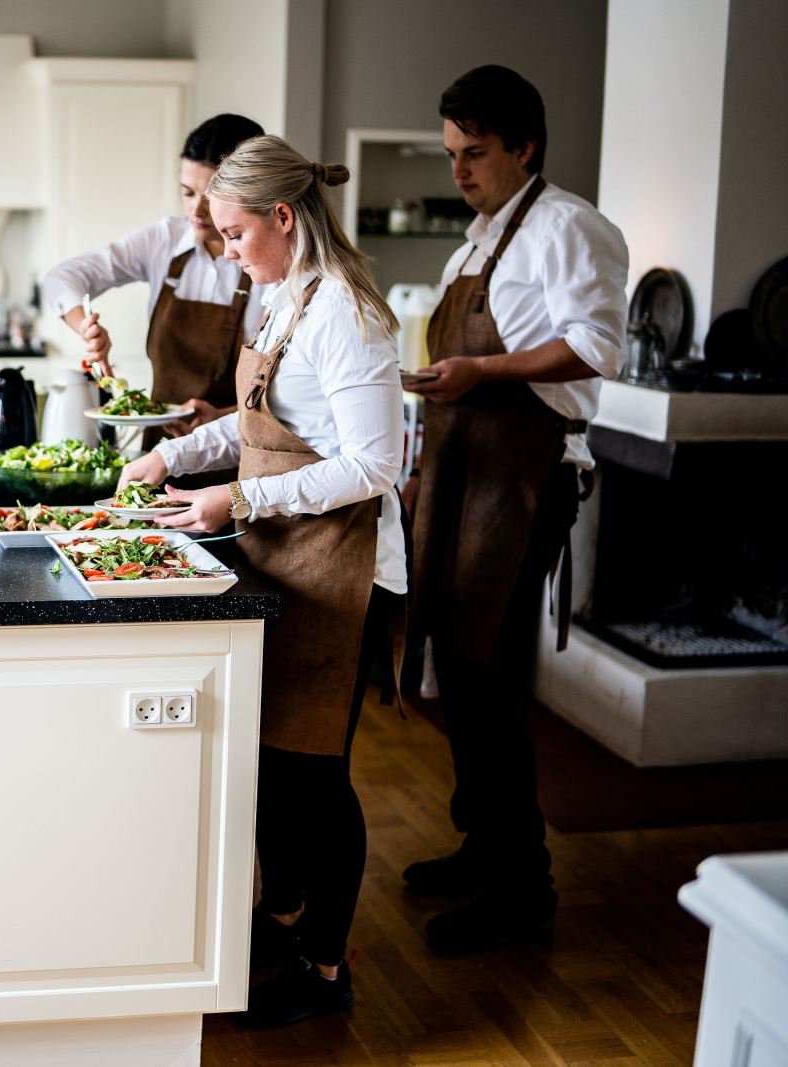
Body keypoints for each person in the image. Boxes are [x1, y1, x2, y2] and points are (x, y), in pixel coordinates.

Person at [118, 135, 406, 1027]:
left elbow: (373, 464)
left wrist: (234, 497)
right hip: (286, 553)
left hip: (350, 571)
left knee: (319, 775)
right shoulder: (284, 297)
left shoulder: (350, 316)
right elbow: (249, 424)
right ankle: (282, 922)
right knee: (277, 766)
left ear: (284, 218)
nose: (228, 251)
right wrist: (172, 455)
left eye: (237, 233)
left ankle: (326, 966)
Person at [400, 65, 629, 954]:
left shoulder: (570, 227)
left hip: (527, 477)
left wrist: (482, 373)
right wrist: (423, 464)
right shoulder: (473, 246)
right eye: (451, 152)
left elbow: (595, 346)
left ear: (525, 147)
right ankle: (482, 846)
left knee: (491, 681)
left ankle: (522, 886)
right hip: (461, 476)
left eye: (476, 153)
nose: (459, 170)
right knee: (458, 675)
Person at [40, 114, 269, 442]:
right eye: (188, 193)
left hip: (235, 449)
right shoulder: (165, 240)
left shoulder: (269, 266)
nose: (197, 210)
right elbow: (60, 279)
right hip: (159, 448)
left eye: (210, 196)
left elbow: (288, 394)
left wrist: (219, 419)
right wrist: (87, 330)